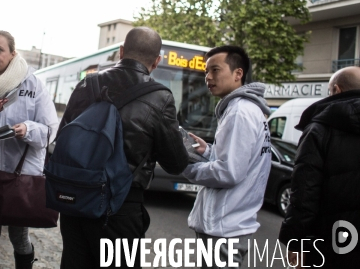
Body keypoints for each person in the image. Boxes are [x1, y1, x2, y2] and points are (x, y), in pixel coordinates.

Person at [57, 27, 189, 269]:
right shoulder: (161, 98)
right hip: (120, 207)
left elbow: (62, 138)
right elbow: (176, 163)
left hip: (76, 201)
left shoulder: (88, 84)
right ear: (157, 61)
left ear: (121, 52)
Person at [0, 30, 59, 269]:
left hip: (20, 177)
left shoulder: (33, 84)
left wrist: (26, 130)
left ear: (12, 54)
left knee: (19, 237)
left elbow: (51, 130)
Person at [183, 45, 272, 268]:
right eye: (206, 72)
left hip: (224, 229)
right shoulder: (246, 109)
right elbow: (241, 160)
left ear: (238, 73)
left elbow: (228, 172)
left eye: (215, 70)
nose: (208, 77)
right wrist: (209, 151)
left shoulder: (239, 112)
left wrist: (184, 166)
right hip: (230, 226)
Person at [279, 66, 360, 268]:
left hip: (330, 240)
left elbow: (305, 191)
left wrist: (296, 241)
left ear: (337, 90)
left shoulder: (320, 128)